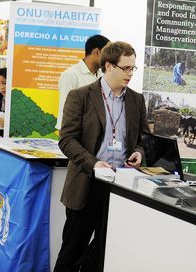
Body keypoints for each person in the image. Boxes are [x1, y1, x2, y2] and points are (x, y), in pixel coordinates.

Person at [54, 41, 150, 272]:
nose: (130, 74)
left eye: (133, 68)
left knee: (105, 250)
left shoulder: (136, 100)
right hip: (87, 184)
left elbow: (144, 138)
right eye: (125, 68)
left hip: (122, 186)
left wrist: (138, 152)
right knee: (72, 250)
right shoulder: (81, 96)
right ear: (108, 66)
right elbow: (66, 140)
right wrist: (94, 163)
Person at [55, 34, 109, 129]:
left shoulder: (103, 76)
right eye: (107, 53)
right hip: (73, 133)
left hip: (94, 133)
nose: (109, 58)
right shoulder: (71, 74)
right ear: (96, 52)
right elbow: (66, 109)